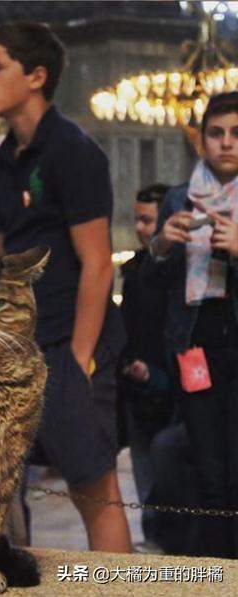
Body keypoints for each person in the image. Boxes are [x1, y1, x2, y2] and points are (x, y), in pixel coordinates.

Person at [0, 21, 132, 552]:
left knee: (94, 487)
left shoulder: (73, 150)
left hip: (71, 341)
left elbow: (96, 264)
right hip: (20, 344)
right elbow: (4, 255)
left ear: (37, 76)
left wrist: (81, 360)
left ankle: (118, 591)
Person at [143, 91, 238, 558]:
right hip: (194, 347)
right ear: (201, 141)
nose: (226, 143)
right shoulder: (180, 197)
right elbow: (154, 280)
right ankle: (219, 572)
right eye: (216, 133)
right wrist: (161, 243)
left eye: (237, 134)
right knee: (208, 469)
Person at [118, 183, 173, 553]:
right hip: (137, 384)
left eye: (148, 220)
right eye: (138, 219)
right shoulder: (135, 268)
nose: (141, 227)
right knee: (144, 472)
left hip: (176, 387)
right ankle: (154, 537)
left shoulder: (184, 269)